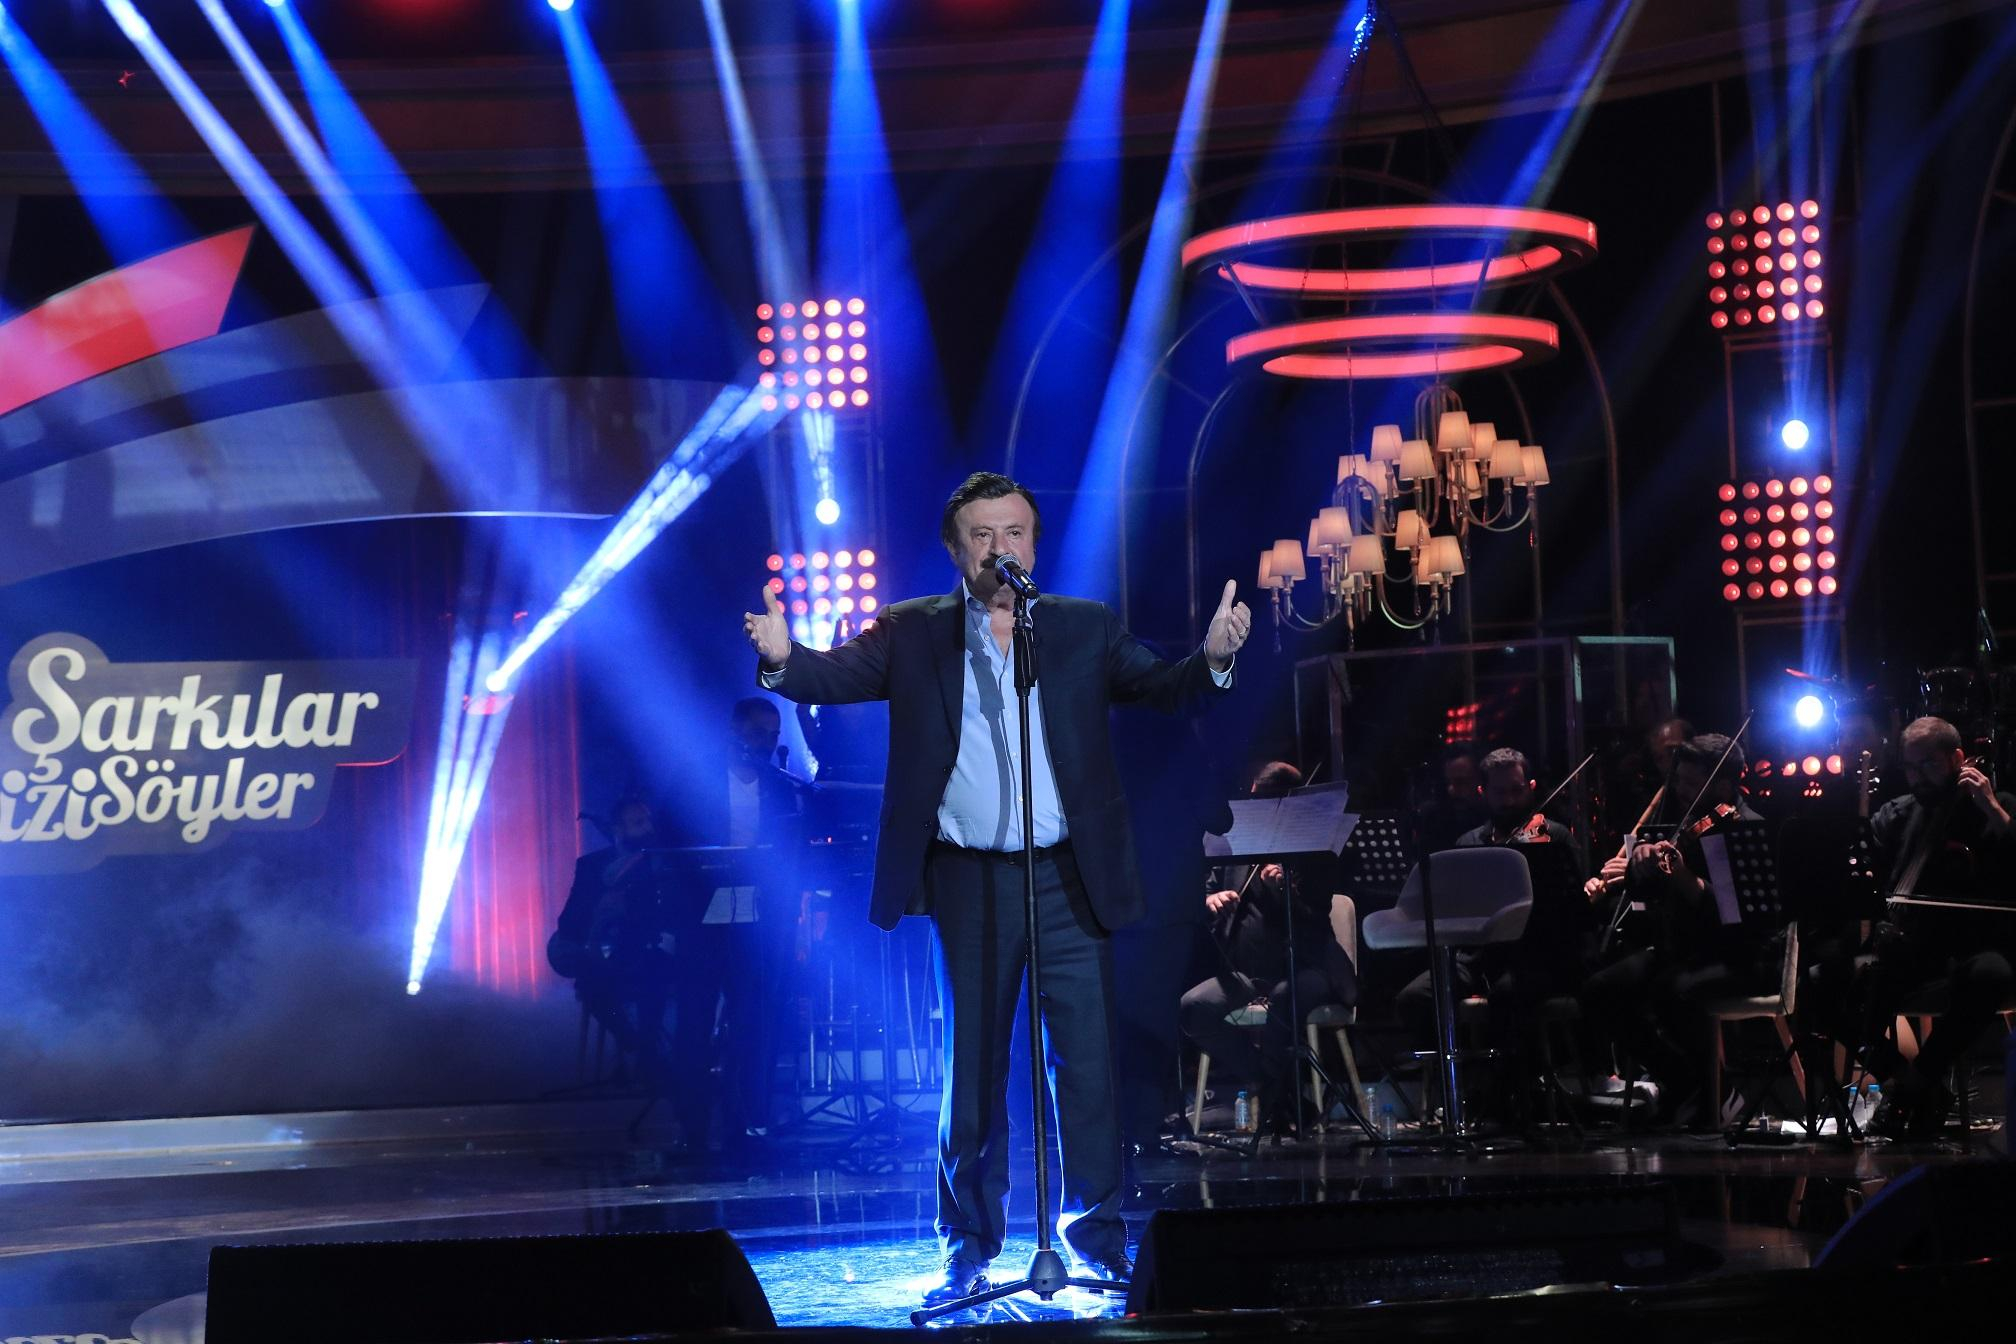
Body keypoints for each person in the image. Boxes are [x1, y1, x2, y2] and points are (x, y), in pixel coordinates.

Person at [743, 471, 1249, 1306]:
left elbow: (1163, 687)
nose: (998, 547)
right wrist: (782, 660)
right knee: (973, 1069)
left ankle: (1096, 1237)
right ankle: (969, 1244)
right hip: (968, 877)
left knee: (1085, 1066)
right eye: (981, 534)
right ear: (956, 549)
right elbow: (834, 678)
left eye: (1013, 532)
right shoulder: (913, 630)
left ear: (1033, 545)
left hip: (1067, 876)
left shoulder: (1081, 627)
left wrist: (1216, 660)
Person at [1579, 733, 1768, 1122]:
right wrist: (1641, 863)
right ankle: (1683, 1080)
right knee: (1600, 990)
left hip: (1735, 954)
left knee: (1673, 990)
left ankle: (1715, 1090)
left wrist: (1683, 877)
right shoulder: (1685, 825)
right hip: (1680, 948)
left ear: (1724, 786)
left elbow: (1735, 919)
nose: (1680, 790)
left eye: (1691, 783)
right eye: (1678, 779)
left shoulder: (1744, 829)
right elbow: (1646, 898)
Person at [1392, 747, 1587, 1124]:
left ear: (1531, 787)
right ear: (1483, 793)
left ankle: (1506, 1098)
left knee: (1508, 996)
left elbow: (1574, 912)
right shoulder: (1470, 844)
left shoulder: (1554, 838)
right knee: (1415, 998)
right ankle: (1460, 1089)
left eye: (1517, 790)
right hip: (1477, 957)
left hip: (1537, 955)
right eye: (1500, 793)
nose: (1510, 801)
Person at [661, 698, 808, 1162]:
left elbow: (796, 852)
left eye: (773, 735)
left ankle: (747, 1124)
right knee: (695, 1023)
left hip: (758, 925)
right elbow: (668, 847)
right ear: (734, 733)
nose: (766, 742)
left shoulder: (780, 787)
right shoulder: (695, 779)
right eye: (758, 733)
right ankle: (693, 1127)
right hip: (703, 921)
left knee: (754, 1024)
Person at [1856, 716, 2016, 1137]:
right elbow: (1865, 868)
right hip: (1912, 948)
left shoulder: (1996, 806)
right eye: (1910, 768)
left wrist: (1992, 809)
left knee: (1991, 975)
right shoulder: (1898, 814)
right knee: (1823, 983)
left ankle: (1916, 1083)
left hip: (1976, 944)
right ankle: (1909, 1082)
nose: (1918, 777)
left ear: (1958, 759)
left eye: (1928, 765)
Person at [1178, 760, 1357, 1134]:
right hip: (1245, 972)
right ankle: (1276, 1090)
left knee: (1284, 999)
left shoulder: (1314, 852)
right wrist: (1210, 901)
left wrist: (1285, 890)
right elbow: (1206, 892)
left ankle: (1278, 1100)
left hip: (1307, 966)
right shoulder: (1235, 844)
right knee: (1193, 1008)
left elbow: (1314, 917)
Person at [550, 795, 673, 1084]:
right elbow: (568, 923)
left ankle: (649, 1058)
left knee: (656, 973)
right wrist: (601, 906)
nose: (648, 828)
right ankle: (637, 1045)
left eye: (648, 821)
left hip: (646, 951)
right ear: (618, 829)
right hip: (604, 955)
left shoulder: (663, 864)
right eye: (638, 823)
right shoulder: (591, 865)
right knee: (592, 985)